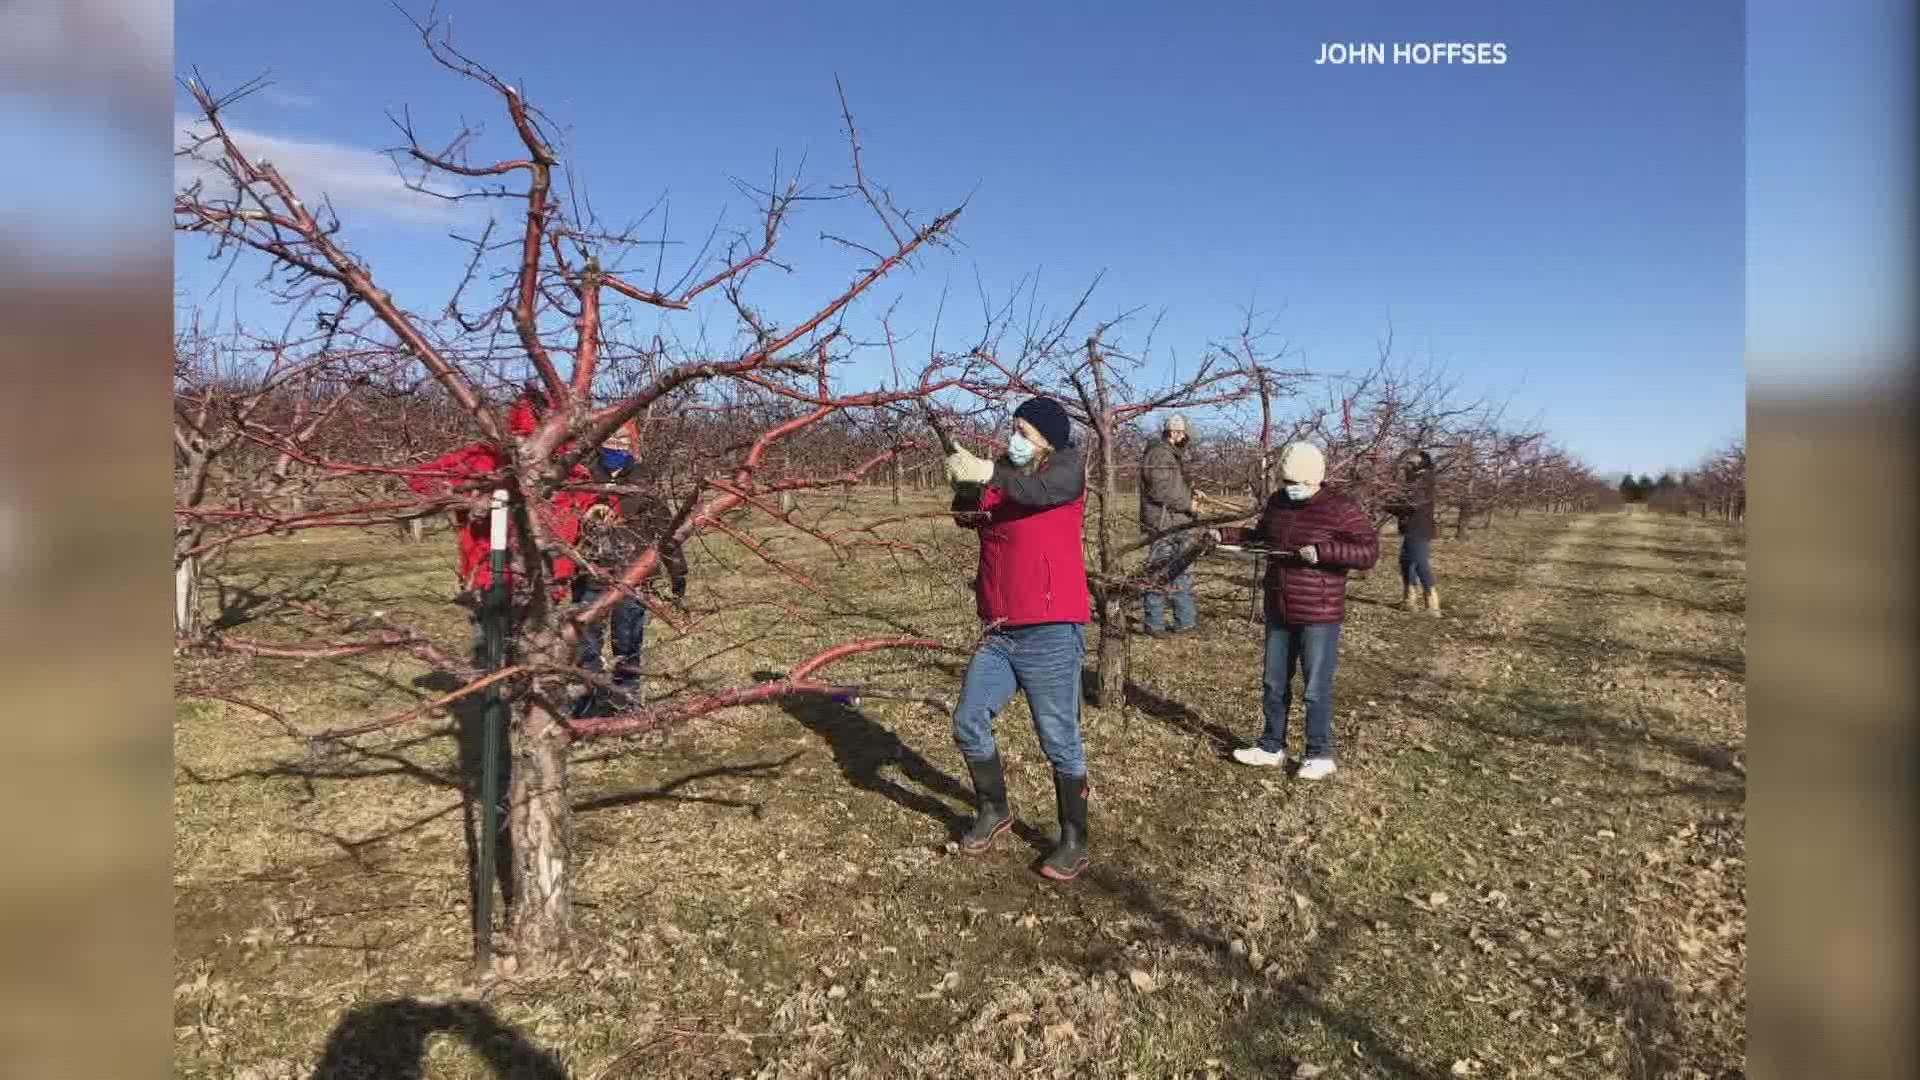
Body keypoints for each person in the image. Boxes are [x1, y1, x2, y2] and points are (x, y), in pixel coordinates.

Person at [942, 396, 1094, 881]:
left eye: (1024, 430)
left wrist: (987, 472)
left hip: (1051, 627)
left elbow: (1036, 492)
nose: (1015, 437)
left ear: (1049, 437)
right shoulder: (1005, 473)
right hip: (1000, 627)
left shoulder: (1066, 471)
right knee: (968, 720)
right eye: (1013, 428)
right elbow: (969, 516)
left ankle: (1074, 839)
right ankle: (994, 808)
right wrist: (964, 484)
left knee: (1059, 740)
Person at [1217, 441, 1379, 780]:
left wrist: (1323, 552)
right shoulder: (1277, 502)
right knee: (1274, 682)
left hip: (1319, 612)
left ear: (1315, 479)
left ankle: (1318, 754)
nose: (1290, 490)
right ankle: (1270, 746)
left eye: (1297, 483)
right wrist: (1225, 534)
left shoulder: (1340, 507)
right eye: (1286, 482)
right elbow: (1262, 538)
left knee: (1315, 688)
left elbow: (1367, 552)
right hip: (1279, 604)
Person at [404, 387, 597, 667]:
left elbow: (600, 507)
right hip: (492, 583)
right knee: (493, 663)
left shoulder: (572, 472)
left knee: (536, 666)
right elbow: (420, 481)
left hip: (547, 586)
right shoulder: (485, 459)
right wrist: (463, 494)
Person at [569, 425, 689, 717]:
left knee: (628, 642)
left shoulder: (644, 482)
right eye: (610, 441)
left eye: (622, 442)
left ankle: (627, 704)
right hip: (591, 576)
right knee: (586, 644)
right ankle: (590, 703)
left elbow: (666, 531)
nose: (615, 447)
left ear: (630, 447)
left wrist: (678, 574)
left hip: (633, 575)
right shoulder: (583, 478)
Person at [1138, 413, 1200, 635]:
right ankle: (1154, 623)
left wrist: (1191, 493)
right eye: (1183, 433)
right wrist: (1188, 503)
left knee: (1182, 570)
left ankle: (1185, 621)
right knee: (1158, 572)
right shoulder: (1159, 455)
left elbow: (1174, 487)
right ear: (1175, 432)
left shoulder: (1173, 455)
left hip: (1177, 521)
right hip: (1163, 523)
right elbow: (1160, 490)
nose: (1186, 438)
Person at [1382, 449, 1440, 615]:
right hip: (1412, 527)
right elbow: (1406, 502)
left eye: (1409, 463)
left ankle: (1432, 603)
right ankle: (1409, 599)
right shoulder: (1415, 479)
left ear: (1419, 462)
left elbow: (1411, 505)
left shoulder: (1424, 479)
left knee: (1420, 563)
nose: (1406, 466)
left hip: (1419, 528)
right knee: (1406, 562)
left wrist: (1386, 505)